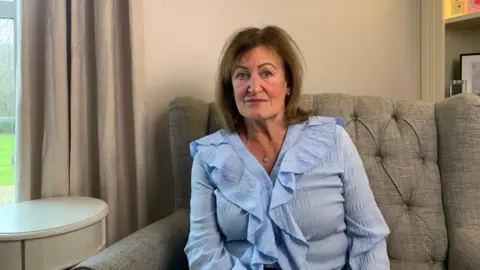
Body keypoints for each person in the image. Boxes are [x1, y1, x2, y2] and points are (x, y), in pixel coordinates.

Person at [184, 25, 390, 270]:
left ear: (288, 83)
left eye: (266, 73)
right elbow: (202, 249)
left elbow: (369, 237)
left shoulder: (333, 139)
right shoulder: (209, 156)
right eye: (242, 75)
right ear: (231, 88)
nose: (254, 86)